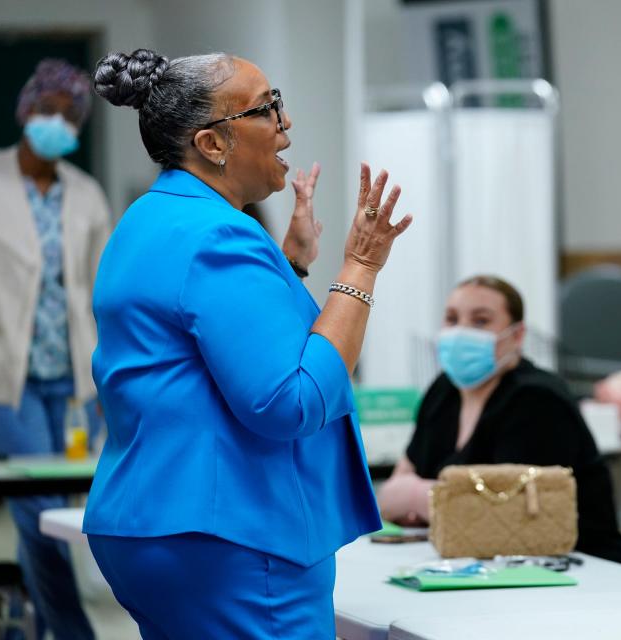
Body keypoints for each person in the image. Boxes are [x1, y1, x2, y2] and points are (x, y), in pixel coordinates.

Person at [83, 48, 411, 638]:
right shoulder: (219, 237)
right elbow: (290, 401)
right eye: (267, 109)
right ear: (213, 144)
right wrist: (360, 267)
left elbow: (201, 343)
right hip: (234, 536)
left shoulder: (148, 220)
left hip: (152, 525)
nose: (285, 125)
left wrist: (290, 266)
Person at [377, 275, 621, 567]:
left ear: (516, 336)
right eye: (452, 319)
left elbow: (513, 518)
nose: (461, 331)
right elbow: (389, 496)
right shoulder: (444, 391)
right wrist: (441, 502)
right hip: (469, 562)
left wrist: (417, 496)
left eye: (480, 321)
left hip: (582, 566)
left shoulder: (537, 400)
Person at [0, 58, 112, 640]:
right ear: (26, 110)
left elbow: (104, 290)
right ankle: (73, 631)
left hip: (73, 381)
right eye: (48, 110)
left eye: (70, 116)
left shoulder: (87, 195)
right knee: (39, 510)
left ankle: (40, 624)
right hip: (6, 379)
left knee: (60, 514)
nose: (57, 123)